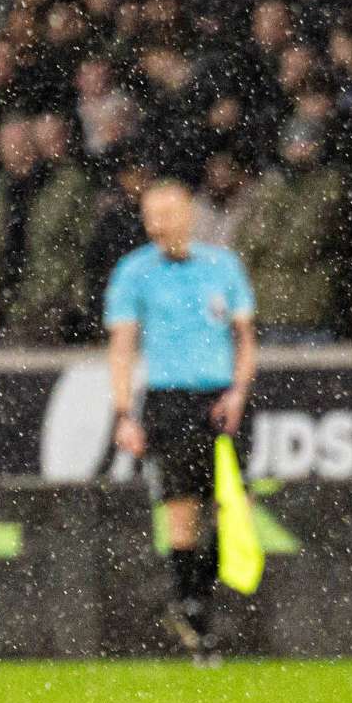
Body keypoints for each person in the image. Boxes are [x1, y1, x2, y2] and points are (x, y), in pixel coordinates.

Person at [105, 181, 258, 663]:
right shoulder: (133, 273)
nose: (157, 223)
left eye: (166, 212)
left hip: (220, 398)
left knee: (237, 507)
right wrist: (125, 413)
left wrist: (237, 391)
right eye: (150, 214)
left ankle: (191, 598)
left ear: (188, 213)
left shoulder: (224, 266)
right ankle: (195, 613)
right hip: (169, 401)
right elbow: (122, 347)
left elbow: (246, 340)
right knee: (181, 510)